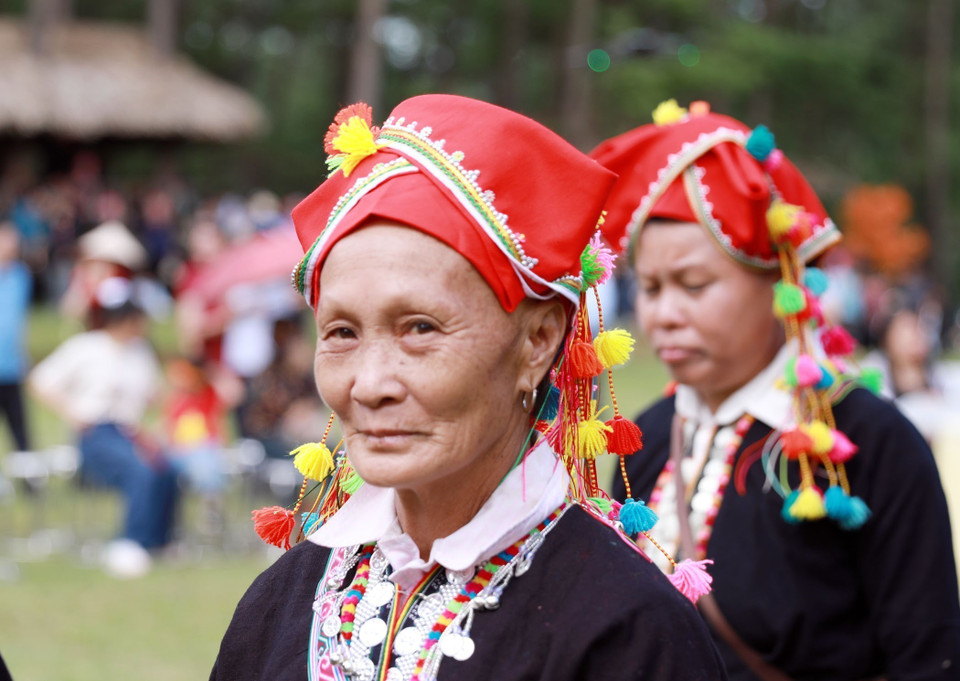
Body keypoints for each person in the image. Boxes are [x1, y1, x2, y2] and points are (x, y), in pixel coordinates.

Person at [210, 96, 727, 681]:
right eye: (342, 332)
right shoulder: (280, 604)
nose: (370, 383)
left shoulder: (627, 629)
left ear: (537, 341)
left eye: (421, 329)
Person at [591, 100, 960, 680]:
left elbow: (928, 658)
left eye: (693, 284)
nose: (662, 314)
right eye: (652, 287)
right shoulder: (649, 436)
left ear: (776, 282)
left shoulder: (869, 440)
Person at [29, 277, 178, 578]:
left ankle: (158, 541)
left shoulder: (140, 352)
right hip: (97, 432)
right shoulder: (86, 347)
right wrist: (72, 412)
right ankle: (130, 541)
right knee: (140, 470)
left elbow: (152, 393)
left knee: (167, 468)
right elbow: (40, 381)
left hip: (130, 431)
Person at [0, 221, 32, 454]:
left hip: (12, 364)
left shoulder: (21, 276)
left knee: (20, 426)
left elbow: (19, 321)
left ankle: (29, 477)